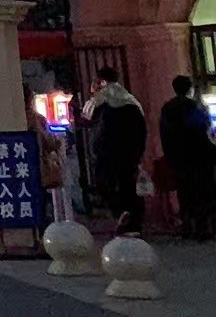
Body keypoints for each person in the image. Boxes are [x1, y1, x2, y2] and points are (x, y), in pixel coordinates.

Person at [82, 66, 149, 235]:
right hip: (130, 153)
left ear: (100, 80)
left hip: (108, 154)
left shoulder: (101, 99)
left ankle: (121, 215)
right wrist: (139, 152)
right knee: (130, 185)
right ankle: (134, 222)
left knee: (108, 186)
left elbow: (89, 119)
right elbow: (141, 130)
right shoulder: (130, 100)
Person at [159, 75, 215, 240]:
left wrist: (170, 156)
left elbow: (165, 134)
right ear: (190, 89)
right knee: (203, 193)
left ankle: (188, 226)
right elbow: (203, 129)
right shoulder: (195, 106)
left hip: (179, 158)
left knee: (185, 193)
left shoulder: (167, 108)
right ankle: (203, 228)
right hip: (199, 157)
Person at [29, 88, 69, 222]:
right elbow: (49, 142)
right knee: (42, 201)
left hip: (21, 169)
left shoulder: (13, 118)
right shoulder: (36, 119)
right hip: (40, 167)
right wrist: (58, 142)